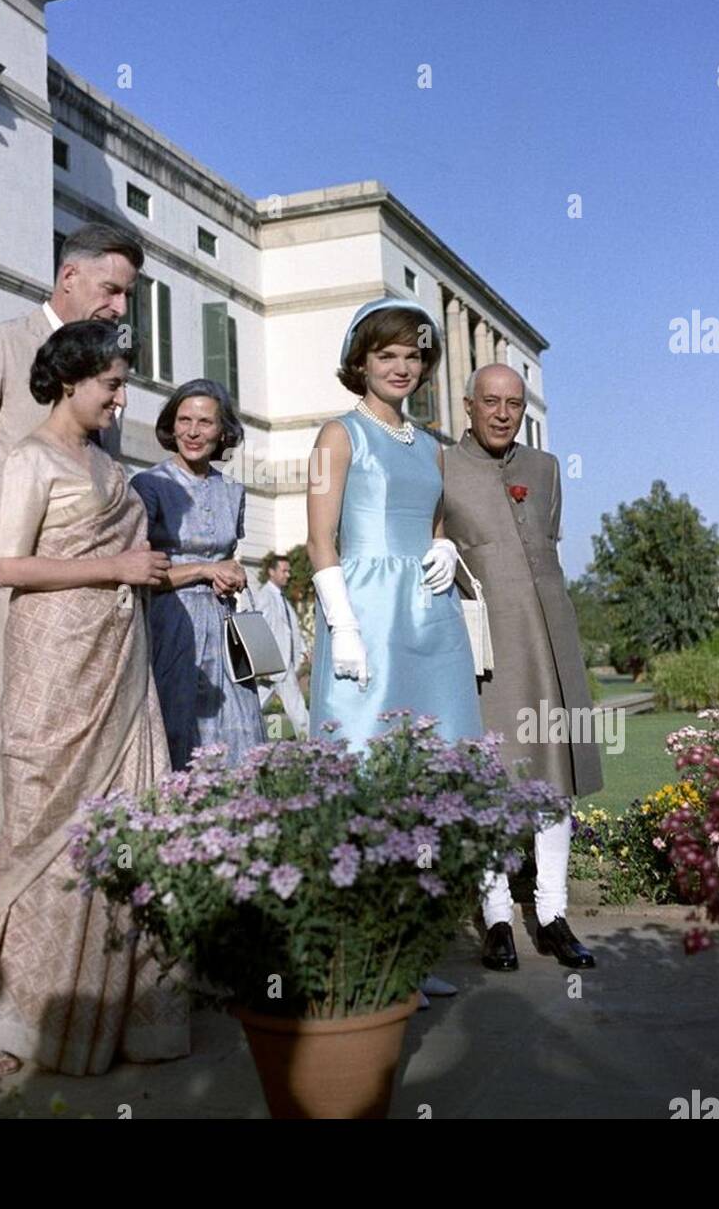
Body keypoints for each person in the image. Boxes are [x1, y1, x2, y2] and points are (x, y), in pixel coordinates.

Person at [0, 320, 189, 1078]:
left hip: (119, 660)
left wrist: (146, 572)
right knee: (48, 832)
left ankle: (119, 1013)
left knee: (130, 822)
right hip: (54, 666)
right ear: (70, 379)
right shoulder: (30, 458)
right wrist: (114, 567)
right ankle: (17, 1020)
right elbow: (10, 566)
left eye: (123, 384)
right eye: (112, 385)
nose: (122, 400)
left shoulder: (106, 462)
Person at [0, 223, 144, 826]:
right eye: (112, 289)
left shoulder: (106, 372)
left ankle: (90, 900)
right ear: (69, 276)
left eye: (127, 296)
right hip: (20, 590)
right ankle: (25, 900)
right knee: (35, 752)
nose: (120, 307)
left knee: (96, 755)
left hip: (97, 599)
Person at [306, 298, 482, 1008]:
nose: (402, 367)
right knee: (365, 770)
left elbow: (437, 520)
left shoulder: (433, 444)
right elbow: (321, 540)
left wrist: (445, 545)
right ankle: (353, 950)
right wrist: (342, 626)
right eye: (388, 355)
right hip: (367, 614)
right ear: (361, 362)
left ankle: (409, 949)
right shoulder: (337, 436)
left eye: (414, 356)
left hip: (430, 617)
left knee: (429, 779)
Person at [443, 363, 604, 973]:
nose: (503, 413)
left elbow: (549, 543)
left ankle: (553, 913)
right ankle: (496, 920)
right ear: (468, 405)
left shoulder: (546, 468)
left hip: (552, 638)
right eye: (491, 401)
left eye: (513, 403)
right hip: (483, 647)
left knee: (553, 779)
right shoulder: (441, 466)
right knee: (492, 777)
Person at [130, 380, 264, 769]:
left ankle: (236, 820)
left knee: (237, 725)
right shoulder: (149, 485)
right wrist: (206, 569)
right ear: (171, 427)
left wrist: (231, 573)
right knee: (178, 724)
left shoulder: (233, 491)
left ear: (223, 431)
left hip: (224, 627)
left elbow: (229, 558)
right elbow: (140, 573)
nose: (192, 431)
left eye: (205, 422)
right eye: (183, 420)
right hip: (170, 621)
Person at [253, 554, 310, 739]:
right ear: (271, 572)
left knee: (296, 708)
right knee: (255, 706)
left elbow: (290, 628)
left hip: (284, 665)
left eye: (289, 571)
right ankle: (310, 743)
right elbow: (258, 630)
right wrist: (261, 664)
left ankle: (309, 742)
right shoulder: (264, 597)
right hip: (273, 664)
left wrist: (302, 649)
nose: (288, 575)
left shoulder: (282, 598)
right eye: (284, 571)